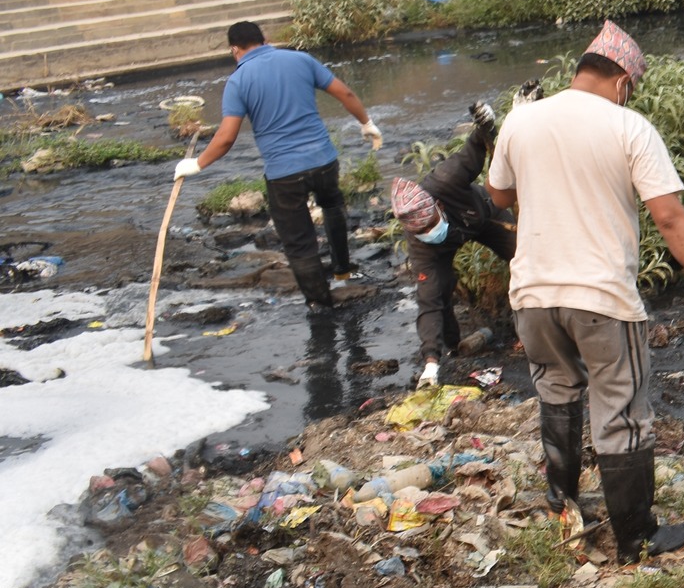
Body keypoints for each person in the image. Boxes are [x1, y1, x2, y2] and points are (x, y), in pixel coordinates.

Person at [485, 22, 684, 560]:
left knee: (556, 390)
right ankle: (635, 536)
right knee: (620, 408)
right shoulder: (630, 127)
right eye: (634, 86)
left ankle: (563, 504)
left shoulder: (521, 118)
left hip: (532, 294)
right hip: (600, 296)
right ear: (622, 78)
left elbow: (499, 195)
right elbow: (669, 217)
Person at [176, 21, 382, 309]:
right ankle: (342, 269)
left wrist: (196, 164)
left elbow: (226, 138)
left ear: (234, 49)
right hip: (324, 159)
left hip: (285, 174)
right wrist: (367, 123)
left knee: (299, 241)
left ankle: (321, 304)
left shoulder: (239, 80)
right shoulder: (300, 59)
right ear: (266, 39)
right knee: (332, 205)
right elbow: (345, 94)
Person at [391, 98, 517, 390]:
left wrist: (484, 125)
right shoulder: (423, 244)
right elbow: (428, 302)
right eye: (423, 230)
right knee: (440, 291)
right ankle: (448, 349)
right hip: (443, 252)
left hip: (481, 216)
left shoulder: (446, 180)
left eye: (431, 224)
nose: (429, 231)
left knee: (523, 254)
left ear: (435, 205)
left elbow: (474, 150)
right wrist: (430, 364)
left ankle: (532, 319)